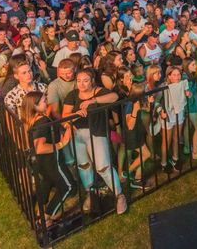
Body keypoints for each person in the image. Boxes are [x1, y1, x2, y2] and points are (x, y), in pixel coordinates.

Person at [62, 68, 127, 214]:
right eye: (79, 81)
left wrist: (93, 100)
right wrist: (75, 115)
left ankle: (119, 195)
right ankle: (91, 194)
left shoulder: (100, 92)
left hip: (97, 132)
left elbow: (115, 96)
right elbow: (64, 116)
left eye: (85, 81)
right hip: (77, 134)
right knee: (83, 166)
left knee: (103, 167)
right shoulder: (72, 95)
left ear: (92, 81)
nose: (81, 84)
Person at [22, 92, 75, 228]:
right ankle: (46, 217)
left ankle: (39, 212)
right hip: (50, 160)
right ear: (35, 106)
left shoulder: (32, 119)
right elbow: (40, 147)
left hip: (40, 162)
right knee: (68, 186)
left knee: (47, 181)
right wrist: (62, 143)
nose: (47, 102)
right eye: (44, 101)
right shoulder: (42, 122)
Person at [160, 66, 190, 172]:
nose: (177, 77)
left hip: (179, 113)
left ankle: (175, 159)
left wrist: (188, 93)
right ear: (169, 76)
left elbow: (187, 93)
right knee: (166, 141)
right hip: (168, 116)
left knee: (177, 137)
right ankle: (163, 163)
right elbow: (156, 101)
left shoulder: (182, 84)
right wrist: (160, 111)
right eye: (174, 75)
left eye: (178, 75)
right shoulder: (163, 86)